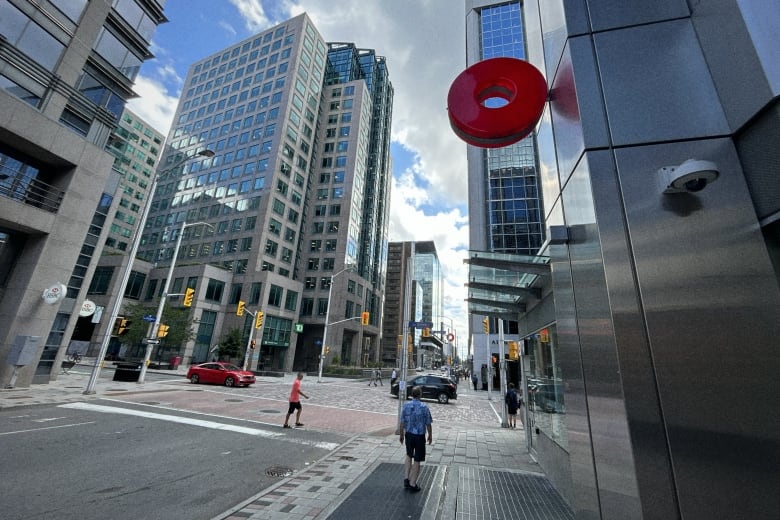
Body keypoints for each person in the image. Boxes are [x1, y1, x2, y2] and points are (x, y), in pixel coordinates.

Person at [399, 386, 433, 493]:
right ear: (420, 394)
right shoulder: (424, 407)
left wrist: (401, 435)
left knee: (409, 455)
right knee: (417, 459)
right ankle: (413, 483)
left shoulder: (406, 405)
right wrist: (430, 435)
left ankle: (406, 478)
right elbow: (428, 423)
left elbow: (402, 422)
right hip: (419, 436)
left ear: (412, 394)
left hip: (408, 434)